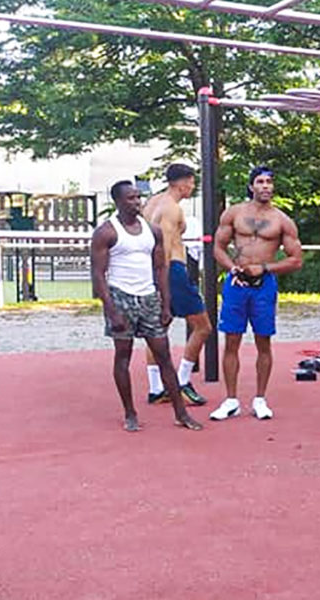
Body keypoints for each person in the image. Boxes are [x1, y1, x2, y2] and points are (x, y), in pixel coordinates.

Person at [90, 180, 202, 432]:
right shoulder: (107, 232)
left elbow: (160, 267)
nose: (136, 202)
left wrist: (165, 303)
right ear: (117, 201)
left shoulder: (152, 231)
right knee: (123, 356)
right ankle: (130, 412)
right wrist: (110, 309)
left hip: (149, 297)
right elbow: (98, 274)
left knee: (164, 356)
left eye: (138, 197)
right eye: (130, 198)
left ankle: (180, 413)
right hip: (121, 297)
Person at [208, 166, 303, 421]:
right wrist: (233, 269)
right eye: (260, 182)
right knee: (231, 341)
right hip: (236, 285)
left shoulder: (282, 220)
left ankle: (260, 399)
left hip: (264, 286)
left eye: (269, 182)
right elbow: (218, 247)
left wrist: (263, 268)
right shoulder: (235, 213)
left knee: (264, 341)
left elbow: (296, 260)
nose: (265, 186)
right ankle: (231, 400)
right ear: (251, 186)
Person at [140, 163, 212, 406]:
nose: (192, 187)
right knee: (203, 327)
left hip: (154, 272)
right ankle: (181, 381)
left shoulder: (152, 202)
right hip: (172, 272)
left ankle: (156, 388)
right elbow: (166, 248)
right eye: (191, 182)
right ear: (181, 183)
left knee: (159, 330)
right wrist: (166, 287)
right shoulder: (171, 209)